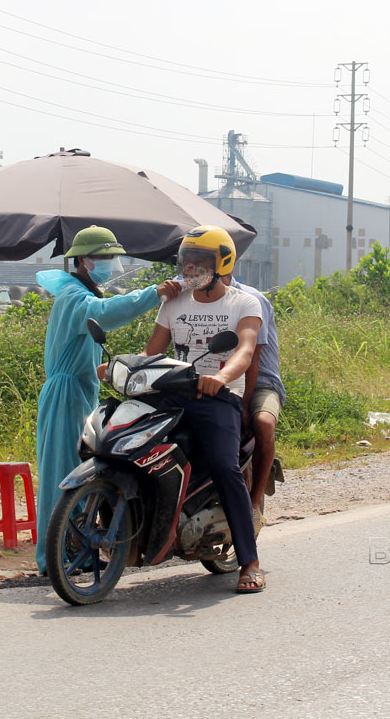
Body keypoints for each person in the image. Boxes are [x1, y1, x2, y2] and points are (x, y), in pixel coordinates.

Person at [34, 225, 181, 574]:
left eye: (113, 258)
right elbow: (105, 313)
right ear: (83, 261)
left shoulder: (81, 291)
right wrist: (153, 294)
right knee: (64, 473)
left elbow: (83, 353)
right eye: (103, 258)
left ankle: (77, 551)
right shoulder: (74, 296)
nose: (110, 264)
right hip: (66, 395)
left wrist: (118, 367)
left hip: (81, 389)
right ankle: (55, 558)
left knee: (80, 472)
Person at [144, 225, 266, 593]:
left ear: (222, 263)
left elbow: (245, 349)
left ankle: (250, 561)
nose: (191, 268)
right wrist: (124, 366)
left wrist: (223, 376)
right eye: (187, 260)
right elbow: (153, 352)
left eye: (200, 261)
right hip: (174, 394)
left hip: (218, 398)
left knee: (225, 468)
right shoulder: (175, 302)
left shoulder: (244, 303)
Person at [221, 272, 285, 533]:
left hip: (259, 383)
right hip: (219, 379)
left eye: (204, 263)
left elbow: (252, 359)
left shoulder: (251, 300)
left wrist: (244, 404)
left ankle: (255, 501)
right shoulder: (195, 300)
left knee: (263, 422)